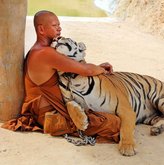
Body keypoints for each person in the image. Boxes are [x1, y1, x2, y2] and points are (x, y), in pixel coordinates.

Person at [2, 10, 120, 143]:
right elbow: (86, 70)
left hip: (48, 110)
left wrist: (97, 66)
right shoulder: (44, 53)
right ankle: (57, 125)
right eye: (54, 26)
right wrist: (101, 69)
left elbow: (76, 67)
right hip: (48, 115)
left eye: (59, 25)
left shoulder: (40, 50)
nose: (59, 28)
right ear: (41, 29)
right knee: (113, 123)